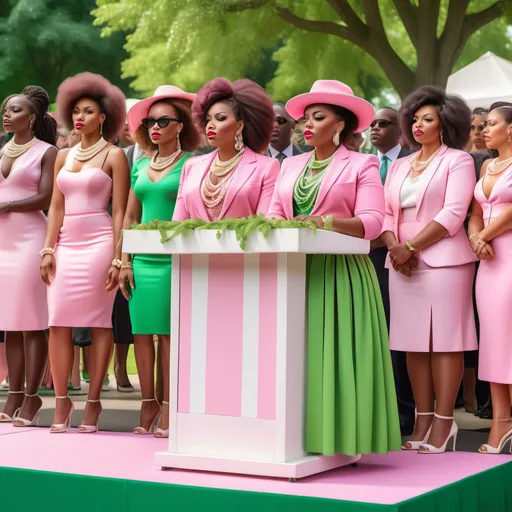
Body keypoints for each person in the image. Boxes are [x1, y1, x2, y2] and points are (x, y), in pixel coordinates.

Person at [267, 80, 401, 456]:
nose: (306, 125)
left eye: (318, 117)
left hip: (342, 274)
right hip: (294, 271)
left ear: (340, 125)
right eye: (305, 119)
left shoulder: (363, 163)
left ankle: (343, 442)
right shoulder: (290, 165)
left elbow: (373, 221)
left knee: (336, 358)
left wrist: (325, 222)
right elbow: (274, 214)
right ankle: (294, 437)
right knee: (294, 358)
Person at [382, 86, 477, 454]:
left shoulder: (458, 160)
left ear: (445, 123)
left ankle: (444, 422)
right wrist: (395, 247)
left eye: (428, 119)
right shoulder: (402, 164)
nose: (419, 125)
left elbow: (453, 213)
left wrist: (410, 247)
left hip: (444, 261)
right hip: (402, 262)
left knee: (445, 343)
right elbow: (387, 212)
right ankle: (421, 419)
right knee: (412, 345)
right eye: (416, 119)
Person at [40, 72, 129, 433]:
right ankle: (61, 403)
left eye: (88, 111)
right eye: (76, 111)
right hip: (66, 243)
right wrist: (48, 247)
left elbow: (120, 210)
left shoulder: (115, 154)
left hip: (98, 243)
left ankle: (93, 403)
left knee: (98, 322)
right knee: (57, 321)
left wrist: (118, 257)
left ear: (103, 116)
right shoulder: (63, 155)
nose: (80, 117)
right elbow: (56, 208)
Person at [119, 85, 200, 437]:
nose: (155, 127)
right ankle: (147, 401)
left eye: (163, 121)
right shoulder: (138, 164)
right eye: (150, 121)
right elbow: (128, 216)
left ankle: (170, 405)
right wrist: (123, 260)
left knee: (168, 336)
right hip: (140, 261)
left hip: (173, 260)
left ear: (180, 125)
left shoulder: (191, 165)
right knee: (140, 334)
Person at [0, 86, 58, 426]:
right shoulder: (1, 150)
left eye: (15, 110)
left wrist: (6, 206)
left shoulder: (46, 152)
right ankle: (13, 395)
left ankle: (33, 397)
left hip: (30, 239)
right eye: (6, 109)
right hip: (3, 242)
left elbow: (46, 197)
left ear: (32, 118)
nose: (7, 114)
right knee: (9, 324)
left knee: (31, 324)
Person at [173, 78, 279, 222]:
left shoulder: (267, 167)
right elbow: (178, 223)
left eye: (220, 118)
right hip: (195, 245)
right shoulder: (191, 166)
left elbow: (264, 225)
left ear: (239, 125)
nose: (210, 125)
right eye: (208, 119)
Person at [469, 102, 512, 454]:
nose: (484, 129)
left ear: (510, 129)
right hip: (487, 262)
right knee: (494, 340)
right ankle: (501, 421)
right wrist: (475, 237)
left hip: (509, 255)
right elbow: (474, 211)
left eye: (491, 124)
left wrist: (484, 236)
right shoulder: (485, 164)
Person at [369, 106, 414, 436]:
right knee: (373, 334)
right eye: (372, 123)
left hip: (403, 258)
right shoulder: (362, 161)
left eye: (383, 124)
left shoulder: (412, 161)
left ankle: (404, 411)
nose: (375, 128)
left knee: (397, 337)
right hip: (363, 256)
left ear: (400, 131)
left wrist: (398, 247)